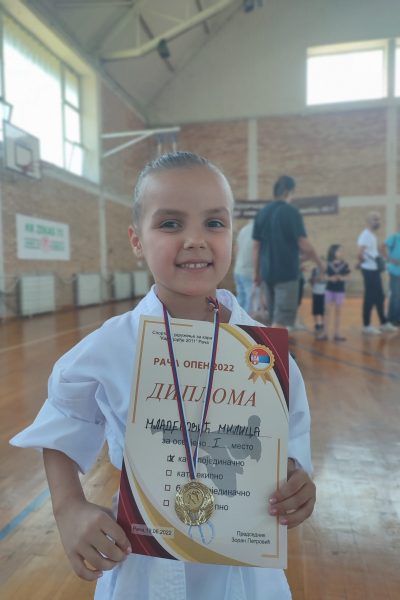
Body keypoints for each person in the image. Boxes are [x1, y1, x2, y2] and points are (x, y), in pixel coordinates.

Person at [10, 152, 315, 600]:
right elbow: (63, 413)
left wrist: (297, 483)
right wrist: (68, 506)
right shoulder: (114, 344)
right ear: (137, 240)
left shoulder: (263, 353)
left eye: (214, 223)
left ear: (231, 233)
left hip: (244, 568)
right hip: (145, 563)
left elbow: (292, 436)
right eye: (170, 224)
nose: (195, 240)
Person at [253, 175, 323, 329]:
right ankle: (276, 346)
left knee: (274, 318)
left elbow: (256, 247)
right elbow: (303, 243)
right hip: (286, 275)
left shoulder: (261, 213)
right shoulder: (291, 212)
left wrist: (257, 274)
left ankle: (275, 345)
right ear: (288, 191)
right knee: (281, 321)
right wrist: (320, 264)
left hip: (267, 274)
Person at [357, 211, 397, 335]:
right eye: (375, 219)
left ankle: (384, 323)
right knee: (370, 297)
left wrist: (381, 259)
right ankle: (366, 326)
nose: (378, 221)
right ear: (368, 221)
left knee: (380, 296)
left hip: (374, 270)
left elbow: (372, 252)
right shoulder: (365, 235)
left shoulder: (372, 235)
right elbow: (360, 253)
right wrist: (363, 263)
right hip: (369, 271)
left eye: (379, 219)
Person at [324, 244, 350, 341]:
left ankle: (337, 333)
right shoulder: (328, 264)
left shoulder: (345, 264)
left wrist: (341, 278)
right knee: (327, 312)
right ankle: (325, 333)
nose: (341, 253)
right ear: (333, 252)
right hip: (329, 289)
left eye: (342, 251)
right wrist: (330, 278)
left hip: (340, 291)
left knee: (338, 312)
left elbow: (348, 277)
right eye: (339, 251)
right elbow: (324, 276)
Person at [233, 220, 254, 313]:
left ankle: (236, 319)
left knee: (240, 298)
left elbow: (236, 249)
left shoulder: (244, 230)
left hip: (238, 270)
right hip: (250, 271)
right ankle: (245, 321)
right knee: (250, 302)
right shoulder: (260, 230)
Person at [384, 223, 400, 325]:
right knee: (395, 295)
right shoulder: (394, 237)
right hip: (394, 271)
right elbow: (382, 247)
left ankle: (398, 318)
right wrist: (390, 259)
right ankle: (391, 318)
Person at [309, 264, 327, 340]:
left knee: (323, 310)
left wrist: (323, 278)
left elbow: (328, 280)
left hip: (324, 293)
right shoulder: (315, 270)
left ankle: (323, 324)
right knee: (316, 310)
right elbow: (311, 281)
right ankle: (317, 325)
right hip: (316, 292)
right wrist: (315, 279)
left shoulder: (327, 271)